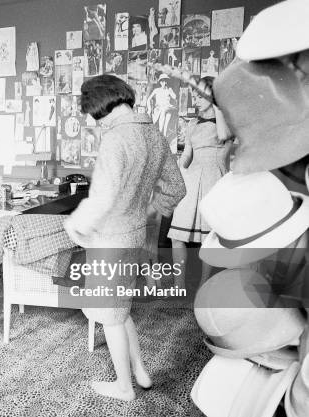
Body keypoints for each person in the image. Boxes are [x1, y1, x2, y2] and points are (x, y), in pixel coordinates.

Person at [65, 75, 185, 401]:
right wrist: (147, 214)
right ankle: (140, 372)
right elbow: (176, 189)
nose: (94, 122)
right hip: (137, 236)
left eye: (93, 114)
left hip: (110, 240)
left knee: (110, 315)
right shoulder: (154, 133)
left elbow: (102, 199)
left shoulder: (115, 139)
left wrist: (76, 222)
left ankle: (123, 387)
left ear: (99, 107)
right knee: (121, 308)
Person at [167, 77, 233, 288]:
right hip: (191, 180)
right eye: (193, 94)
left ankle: (204, 285)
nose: (194, 98)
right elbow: (186, 157)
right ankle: (179, 286)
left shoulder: (228, 121)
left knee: (208, 238)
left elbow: (224, 136)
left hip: (215, 179)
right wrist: (171, 171)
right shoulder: (193, 123)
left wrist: (217, 104)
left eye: (199, 94)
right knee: (176, 236)